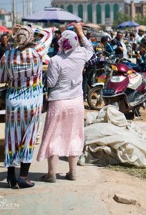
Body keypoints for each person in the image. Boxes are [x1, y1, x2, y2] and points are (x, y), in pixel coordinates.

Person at [37, 24, 94, 183]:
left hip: (58, 102)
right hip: (76, 102)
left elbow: (51, 82)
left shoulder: (55, 60)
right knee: (74, 135)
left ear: (61, 43)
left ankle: (51, 174)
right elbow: (90, 48)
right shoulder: (81, 54)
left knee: (53, 136)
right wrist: (81, 32)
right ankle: (72, 172)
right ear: (75, 42)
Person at [0, 25, 52, 188]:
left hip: (13, 101)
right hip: (32, 102)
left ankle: (10, 176)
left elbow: (1, 79)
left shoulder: (7, 55)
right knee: (28, 137)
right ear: (30, 39)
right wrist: (29, 27)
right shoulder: (37, 53)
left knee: (11, 137)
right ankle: (23, 176)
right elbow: (48, 33)